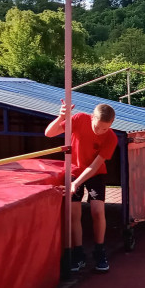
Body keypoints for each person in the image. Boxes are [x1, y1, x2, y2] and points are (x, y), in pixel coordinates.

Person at [45, 101, 117, 273]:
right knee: (74, 213)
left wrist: (77, 183)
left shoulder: (111, 138)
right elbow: (49, 133)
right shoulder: (79, 119)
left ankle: (99, 251)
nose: (100, 131)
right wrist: (62, 116)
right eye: (98, 127)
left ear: (111, 125)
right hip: (74, 170)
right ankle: (78, 253)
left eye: (105, 129)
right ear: (92, 117)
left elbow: (95, 165)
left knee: (98, 211)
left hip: (95, 173)